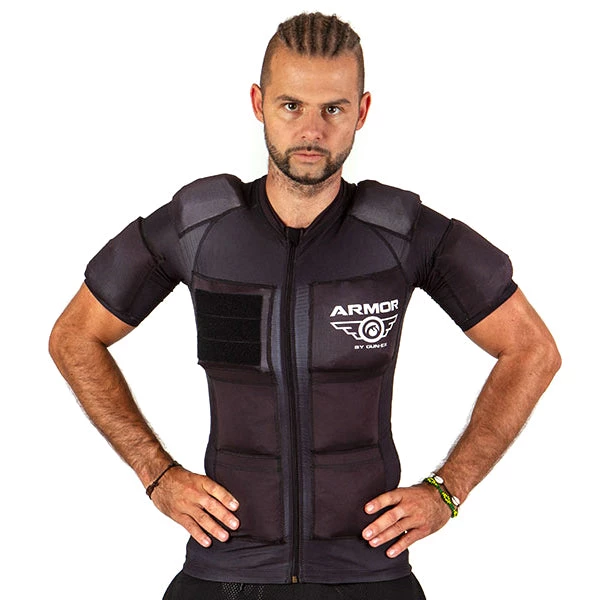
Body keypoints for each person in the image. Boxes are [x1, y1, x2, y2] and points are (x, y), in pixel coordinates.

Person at [49, 12, 561, 600]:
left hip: (366, 573)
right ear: (258, 103)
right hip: (228, 569)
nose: (312, 130)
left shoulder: (403, 234)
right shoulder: (198, 229)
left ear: (362, 112)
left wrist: (449, 490)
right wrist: (156, 473)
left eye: (333, 109)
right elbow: (74, 336)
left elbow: (533, 350)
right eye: (291, 105)